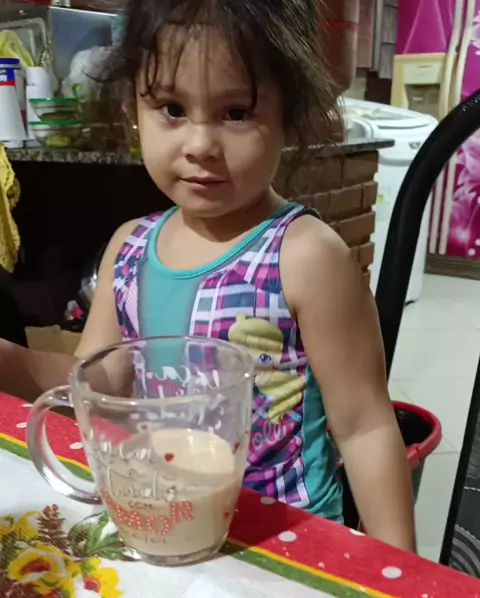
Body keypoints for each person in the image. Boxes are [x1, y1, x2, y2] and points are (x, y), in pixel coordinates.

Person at [0, 0, 415, 551]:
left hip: (287, 542)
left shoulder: (305, 256)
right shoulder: (128, 249)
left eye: (236, 113)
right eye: (171, 109)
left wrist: (400, 574)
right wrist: (9, 361)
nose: (199, 146)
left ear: (289, 117)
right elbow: (98, 382)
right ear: (132, 108)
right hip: (167, 517)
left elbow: (364, 427)